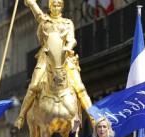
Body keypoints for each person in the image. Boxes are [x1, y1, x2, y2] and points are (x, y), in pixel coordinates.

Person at [14, 0, 93, 129]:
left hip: (65, 57)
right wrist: (31, 3)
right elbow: (37, 13)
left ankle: (93, 117)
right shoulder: (44, 21)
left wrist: (67, 47)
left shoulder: (67, 23)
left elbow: (72, 39)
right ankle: (21, 116)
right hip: (46, 58)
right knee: (33, 85)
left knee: (80, 87)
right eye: (53, 5)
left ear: (62, 7)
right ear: (50, 7)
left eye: (58, 5)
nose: (56, 8)